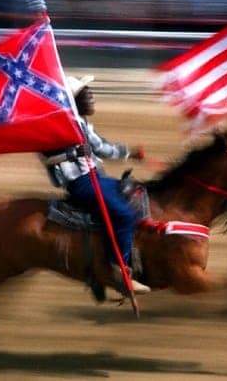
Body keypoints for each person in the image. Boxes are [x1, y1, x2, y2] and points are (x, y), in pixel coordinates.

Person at [40, 75, 151, 295]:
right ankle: (118, 270)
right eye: (85, 93)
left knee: (137, 195)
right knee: (124, 215)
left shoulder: (82, 124)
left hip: (97, 178)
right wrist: (74, 152)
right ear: (73, 100)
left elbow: (103, 148)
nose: (91, 96)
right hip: (81, 183)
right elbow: (47, 158)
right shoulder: (55, 126)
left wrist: (130, 152)